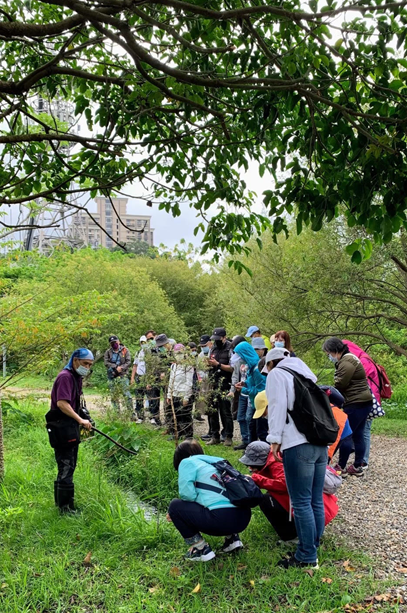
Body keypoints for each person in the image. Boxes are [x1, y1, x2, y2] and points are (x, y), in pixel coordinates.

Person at [264, 346, 327, 569]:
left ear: (271, 363)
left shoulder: (276, 374)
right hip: (320, 444)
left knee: (300, 502)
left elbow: (277, 408)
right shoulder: (306, 375)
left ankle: (307, 556)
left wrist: (274, 439)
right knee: (315, 499)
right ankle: (313, 544)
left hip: (297, 444)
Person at [239, 438, 338, 543]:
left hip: (316, 508)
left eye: (253, 465)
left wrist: (257, 479)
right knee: (271, 495)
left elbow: (285, 485)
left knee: (266, 501)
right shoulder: (276, 457)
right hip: (318, 509)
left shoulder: (277, 464)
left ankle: (292, 536)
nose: (250, 468)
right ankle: (309, 529)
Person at [167, 440, 252, 561]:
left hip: (220, 520)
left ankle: (200, 549)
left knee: (175, 506)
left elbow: (187, 495)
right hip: (243, 517)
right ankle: (232, 539)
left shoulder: (187, 462)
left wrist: (179, 513)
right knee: (221, 500)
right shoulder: (218, 460)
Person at [46, 348, 94, 513]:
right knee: (66, 464)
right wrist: (80, 420)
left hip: (70, 425)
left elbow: (76, 403)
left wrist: (85, 418)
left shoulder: (76, 377)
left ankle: (66, 504)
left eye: (90, 365)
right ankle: (64, 509)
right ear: (75, 361)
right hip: (62, 427)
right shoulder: (65, 377)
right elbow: (62, 403)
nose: (87, 368)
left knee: (70, 464)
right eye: (85, 363)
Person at [322, 338, 373, 477]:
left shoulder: (346, 362)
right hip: (364, 401)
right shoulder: (350, 358)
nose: (329, 356)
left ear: (335, 350)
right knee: (358, 434)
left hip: (355, 402)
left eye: (329, 353)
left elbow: (341, 384)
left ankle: (341, 468)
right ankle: (357, 466)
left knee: (346, 435)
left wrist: (329, 390)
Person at [233, 341, 267, 443]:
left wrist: (244, 390)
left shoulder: (257, 369)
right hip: (254, 404)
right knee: (252, 429)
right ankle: (251, 452)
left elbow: (261, 391)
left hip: (261, 405)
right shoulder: (251, 367)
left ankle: (268, 454)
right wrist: (245, 383)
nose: (240, 359)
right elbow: (252, 382)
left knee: (261, 432)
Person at [207, 327, 234, 446]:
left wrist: (218, 364)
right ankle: (215, 436)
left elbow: (232, 368)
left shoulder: (230, 349)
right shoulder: (213, 348)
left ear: (224, 337)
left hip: (225, 383)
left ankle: (228, 436)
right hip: (213, 382)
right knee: (212, 411)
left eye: (218, 338)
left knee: (225, 411)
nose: (216, 341)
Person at [166, 344, 195, 439]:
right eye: (176, 353)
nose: (178, 355)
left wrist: (186, 397)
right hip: (175, 394)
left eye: (180, 353)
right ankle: (177, 433)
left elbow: (189, 382)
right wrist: (169, 395)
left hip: (184, 394)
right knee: (176, 416)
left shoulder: (188, 366)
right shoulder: (173, 366)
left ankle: (188, 435)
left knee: (185, 416)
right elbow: (171, 380)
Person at [146, 333, 171, 426]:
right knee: (155, 399)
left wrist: (165, 372)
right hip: (155, 379)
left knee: (167, 400)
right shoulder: (153, 352)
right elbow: (150, 367)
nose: (161, 347)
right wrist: (149, 380)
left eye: (162, 345)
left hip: (168, 379)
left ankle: (169, 421)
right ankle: (156, 419)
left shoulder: (171, 352)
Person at [229, 335, 249, 450]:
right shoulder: (238, 361)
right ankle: (245, 440)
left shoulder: (252, 359)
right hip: (242, 393)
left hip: (250, 393)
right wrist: (232, 390)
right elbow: (235, 376)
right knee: (240, 417)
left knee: (249, 418)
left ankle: (252, 442)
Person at [104, 335, 133, 413]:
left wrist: (121, 368)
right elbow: (106, 362)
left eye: (115, 342)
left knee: (126, 394)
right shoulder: (108, 352)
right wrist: (115, 367)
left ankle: (130, 413)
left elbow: (128, 362)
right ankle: (117, 413)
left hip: (123, 375)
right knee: (114, 395)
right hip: (112, 375)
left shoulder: (125, 350)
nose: (114, 344)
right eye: (112, 343)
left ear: (119, 341)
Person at [197, 334, 214, 439]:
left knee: (215, 409)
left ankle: (221, 432)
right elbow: (199, 369)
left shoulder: (215, 352)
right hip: (205, 382)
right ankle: (210, 431)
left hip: (215, 382)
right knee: (207, 408)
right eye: (202, 346)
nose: (203, 347)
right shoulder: (200, 356)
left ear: (210, 343)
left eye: (205, 345)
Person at [130, 335, 148, 423]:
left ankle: (153, 417)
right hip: (139, 376)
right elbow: (135, 365)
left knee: (150, 397)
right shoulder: (138, 353)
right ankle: (140, 416)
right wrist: (132, 378)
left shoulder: (150, 353)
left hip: (148, 377)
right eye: (142, 342)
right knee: (139, 397)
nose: (143, 344)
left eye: (144, 342)